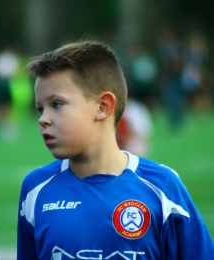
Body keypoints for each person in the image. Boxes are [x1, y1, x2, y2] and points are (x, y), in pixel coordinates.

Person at [17, 41, 214, 260]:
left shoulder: (163, 188)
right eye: (40, 109)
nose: (43, 119)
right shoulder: (35, 189)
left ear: (103, 107)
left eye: (57, 104)